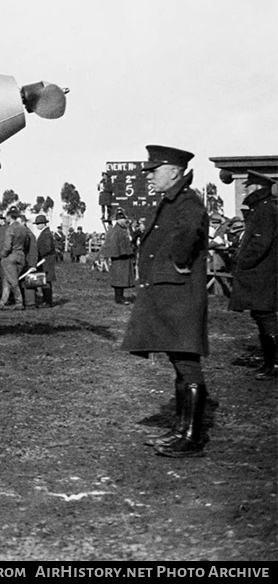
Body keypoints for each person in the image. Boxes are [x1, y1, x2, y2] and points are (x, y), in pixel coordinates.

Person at [121, 145, 210, 458]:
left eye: (155, 170)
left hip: (180, 295)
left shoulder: (187, 201)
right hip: (171, 294)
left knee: (187, 363)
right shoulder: (174, 199)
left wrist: (179, 260)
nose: (151, 176)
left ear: (174, 171)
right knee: (179, 362)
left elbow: (189, 231)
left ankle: (192, 437)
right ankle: (181, 429)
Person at [227, 171, 277, 379]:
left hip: (261, 273)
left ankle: (274, 364)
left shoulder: (264, 211)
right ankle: (269, 363)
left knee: (265, 317)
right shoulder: (265, 209)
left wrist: (243, 262)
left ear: (257, 188)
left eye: (249, 186)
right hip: (263, 272)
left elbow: (260, 243)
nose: (246, 190)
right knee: (261, 315)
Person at [101, 209, 136, 304]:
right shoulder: (116, 231)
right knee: (119, 279)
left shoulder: (121, 230)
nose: (126, 222)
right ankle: (119, 298)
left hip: (122, 257)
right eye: (125, 220)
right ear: (120, 220)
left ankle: (120, 297)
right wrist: (124, 252)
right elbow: (114, 245)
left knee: (121, 278)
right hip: (119, 258)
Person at [0, 207, 31, 307]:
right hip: (21, 256)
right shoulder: (23, 228)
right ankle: (3, 301)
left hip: (11, 256)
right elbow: (27, 243)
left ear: (9, 217)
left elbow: (7, 246)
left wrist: (3, 254)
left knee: (13, 281)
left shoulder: (10, 229)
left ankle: (19, 302)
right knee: (8, 279)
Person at [28, 214, 57, 307]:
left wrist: (38, 253)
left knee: (46, 281)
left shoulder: (46, 234)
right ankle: (46, 300)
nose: (37, 226)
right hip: (46, 260)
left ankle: (48, 302)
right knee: (45, 281)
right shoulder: (45, 233)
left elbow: (47, 248)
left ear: (43, 224)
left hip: (46, 261)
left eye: (38, 224)